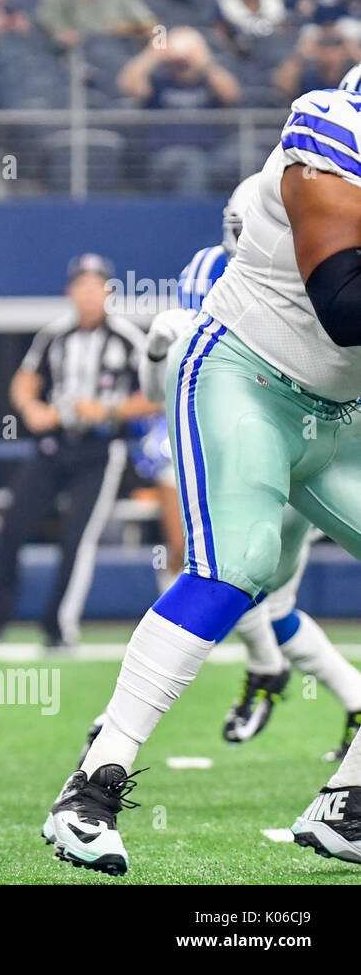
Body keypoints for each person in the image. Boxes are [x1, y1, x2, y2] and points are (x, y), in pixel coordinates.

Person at [44, 61, 361, 874]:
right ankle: (91, 788)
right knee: (239, 568)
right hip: (246, 379)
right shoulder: (329, 135)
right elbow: (345, 302)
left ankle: (347, 805)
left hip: (342, 414)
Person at [102, 176, 361, 759]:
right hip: (250, 428)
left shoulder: (326, 263)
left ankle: (266, 672)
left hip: (325, 435)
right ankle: (330, 692)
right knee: (251, 587)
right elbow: (170, 383)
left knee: (240, 579)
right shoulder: (210, 270)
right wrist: (158, 351)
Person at [0, 254, 157, 648]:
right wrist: (31, 408)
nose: (88, 293)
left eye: (95, 285)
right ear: (71, 291)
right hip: (53, 445)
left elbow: (156, 396)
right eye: (81, 285)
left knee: (76, 538)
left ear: (108, 291)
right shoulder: (53, 335)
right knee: (13, 524)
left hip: (100, 449)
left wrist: (109, 410)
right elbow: (24, 382)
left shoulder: (128, 338)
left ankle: (58, 626)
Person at [117, 26, 242, 195]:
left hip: (211, 153)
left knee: (249, 157)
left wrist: (204, 62)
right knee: (192, 163)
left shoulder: (209, 81)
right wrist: (154, 54)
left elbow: (232, 94)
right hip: (166, 155)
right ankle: (195, 217)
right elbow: (127, 85)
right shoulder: (159, 82)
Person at [35, 0, 155, 50]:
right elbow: (47, 21)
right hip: (74, 53)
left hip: (116, 48)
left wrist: (124, 28)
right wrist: (62, 34)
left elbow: (149, 23)